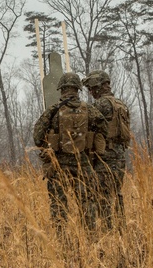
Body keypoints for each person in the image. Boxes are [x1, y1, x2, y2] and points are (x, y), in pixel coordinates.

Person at [32, 72, 108, 229]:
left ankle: (62, 241)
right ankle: (90, 237)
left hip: (58, 163)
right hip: (83, 163)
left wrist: (49, 144)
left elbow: (37, 136)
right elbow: (104, 128)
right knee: (87, 201)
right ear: (78, 89)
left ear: (61, 90)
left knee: (58, 202)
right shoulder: (89, 110)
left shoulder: (53, 111)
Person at [84, 69, 132, 227]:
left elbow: (88, 128)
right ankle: (120, 228)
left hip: (104, 157)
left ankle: (108, 229)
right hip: (120, 157)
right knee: (116, 193)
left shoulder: (100, 105)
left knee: (103, 195)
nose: (90, 92)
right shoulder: (121, 104)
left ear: (97, 86)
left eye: (91, 88)